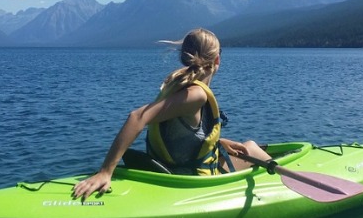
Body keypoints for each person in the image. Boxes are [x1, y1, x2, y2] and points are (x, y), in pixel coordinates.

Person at [72, 28, 271, 201]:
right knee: (251, 148)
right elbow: (137, 117)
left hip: (174, 168)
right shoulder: (197, 94)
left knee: (244, 148)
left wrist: (218, 142)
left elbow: (181, 136)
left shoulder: (178, 85)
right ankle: (287, 192)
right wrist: (105, 172)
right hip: (189, 181)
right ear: (217, 59)